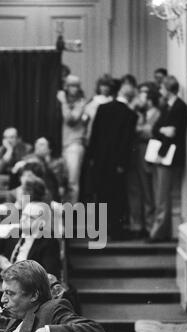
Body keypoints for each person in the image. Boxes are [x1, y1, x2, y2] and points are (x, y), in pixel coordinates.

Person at [87, 79, 138, 240]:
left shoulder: (103, 108)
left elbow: (94, 136)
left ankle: (98, 232)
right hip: (117, 164)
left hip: (100, 160)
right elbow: (127, 142)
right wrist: (123, 163)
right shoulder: (130, 114)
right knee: (117, 198)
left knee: (101, 196)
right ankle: (115, 231)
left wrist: (91, 157)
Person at [149, 75, 187, 242]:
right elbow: (157, 129)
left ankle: (158, 231)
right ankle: (163, 230)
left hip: (167, 155)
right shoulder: (168, 106)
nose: (160, 91)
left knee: (162, 195)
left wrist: (161, 152)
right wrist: (165, 130)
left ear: (168, 89)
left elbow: (174, 134)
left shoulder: (179, 107)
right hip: (165, 153)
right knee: (162, 194)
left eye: (162, 88)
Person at [0, 199, 62, 279]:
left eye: (30, 217)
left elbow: (48, 276)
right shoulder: (15, 233)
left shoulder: (49, 242)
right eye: (23, 215)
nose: (23, 220)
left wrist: (11, 269)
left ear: (41, 223)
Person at [127, 89, 161, 238]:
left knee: (148, 190)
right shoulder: (140, 114)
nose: (139, 99)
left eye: (142, 96)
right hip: (136, 153)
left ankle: (149, 225)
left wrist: (139, 129)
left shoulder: (157, 113)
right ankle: (138, 224)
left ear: (149, 99)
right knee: (136, 188)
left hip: (147, 151)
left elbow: (148, 131)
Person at [57, 75, 87, 204]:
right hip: (61, 144)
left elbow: (71, 120)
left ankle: (71, 213)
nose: (74, 89)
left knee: (72, 181)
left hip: (74, 144)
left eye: (76, 86)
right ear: (66, 87)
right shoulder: (62, 100)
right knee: (61, 180)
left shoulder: (81, 102)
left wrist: (63, 102)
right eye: (71, 85)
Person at [84, 75, 115, 142]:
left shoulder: (112, 100)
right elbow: (86, 117)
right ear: (99, 87)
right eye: (103, 85)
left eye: (107, 86)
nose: (105, 88)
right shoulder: (94, 100)